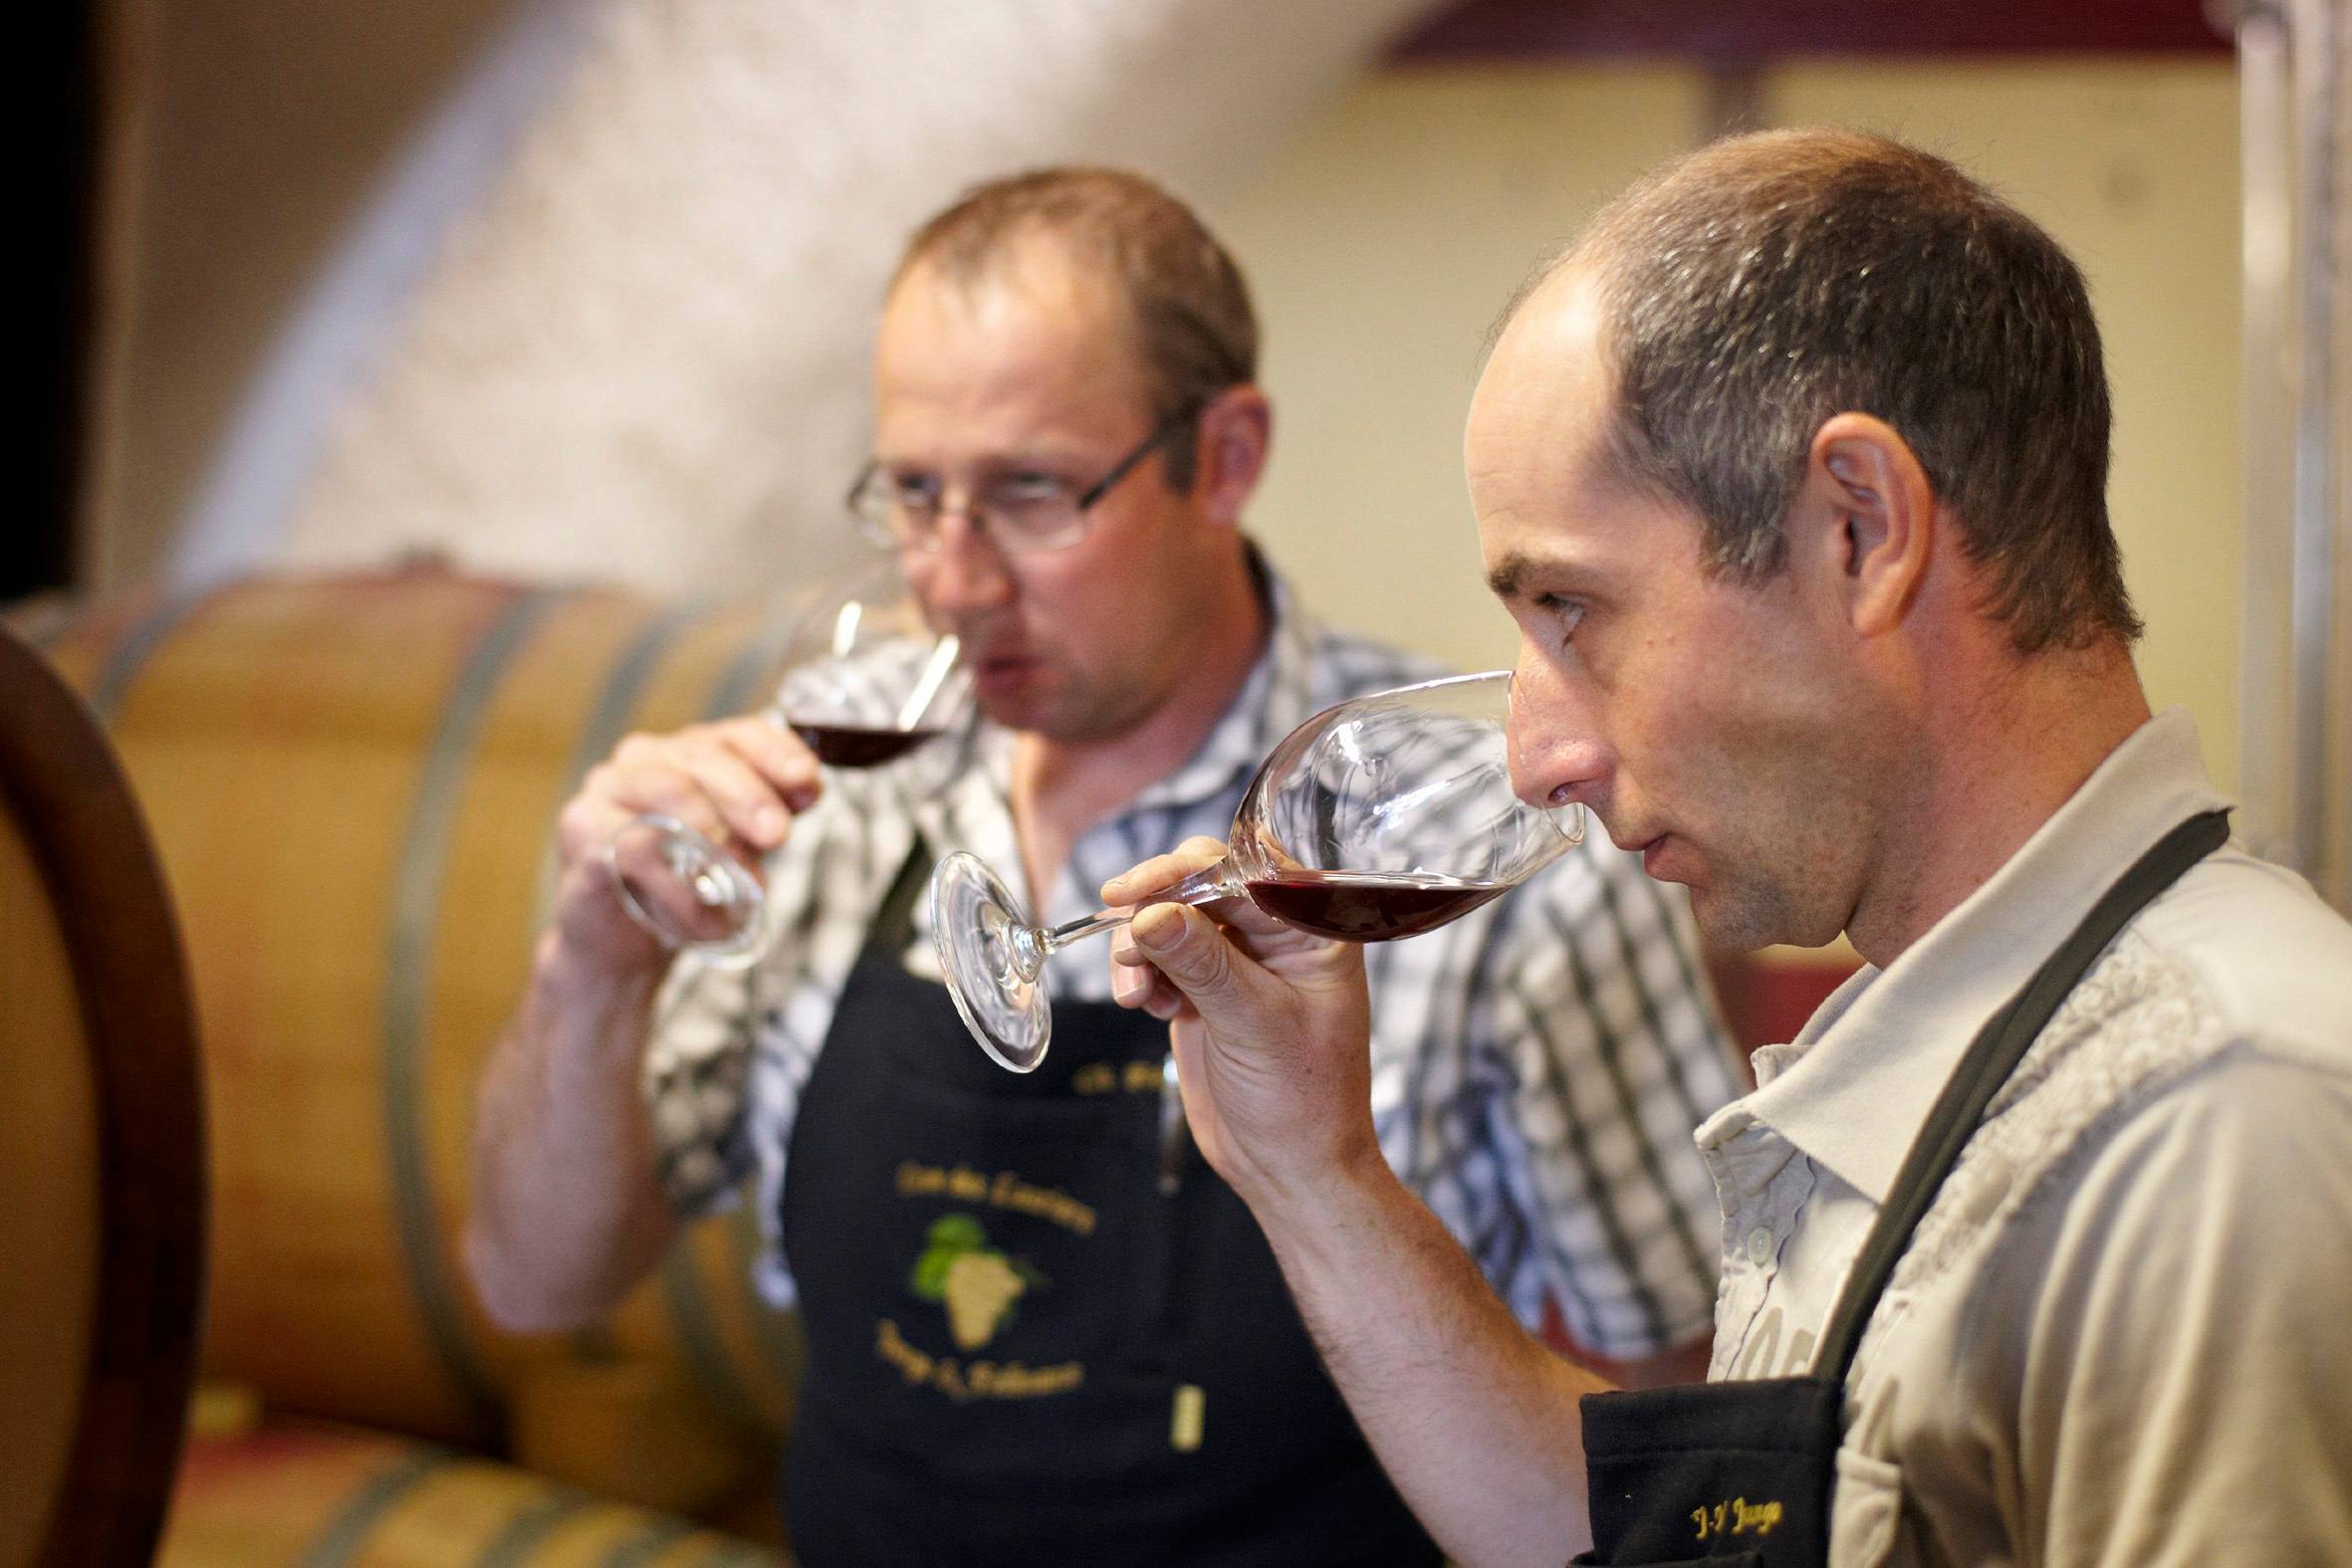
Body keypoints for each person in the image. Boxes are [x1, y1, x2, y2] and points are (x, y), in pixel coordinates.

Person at [1107, 128, 2352, 1567]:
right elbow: (1661, 1544)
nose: (1537, 759)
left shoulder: (2213, 1122)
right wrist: (1309, 1169)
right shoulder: (1980, 1026)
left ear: (1857, 529)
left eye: (1572, 608)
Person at [465, 166, 1739, 1566]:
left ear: (1227, 455)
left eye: (1028, 492)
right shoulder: (829, 791)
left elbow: (1669, 1431)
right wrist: (591, 964)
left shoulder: (1480, 854)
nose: (952, 577)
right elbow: (538, 1280)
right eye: (912, 494)